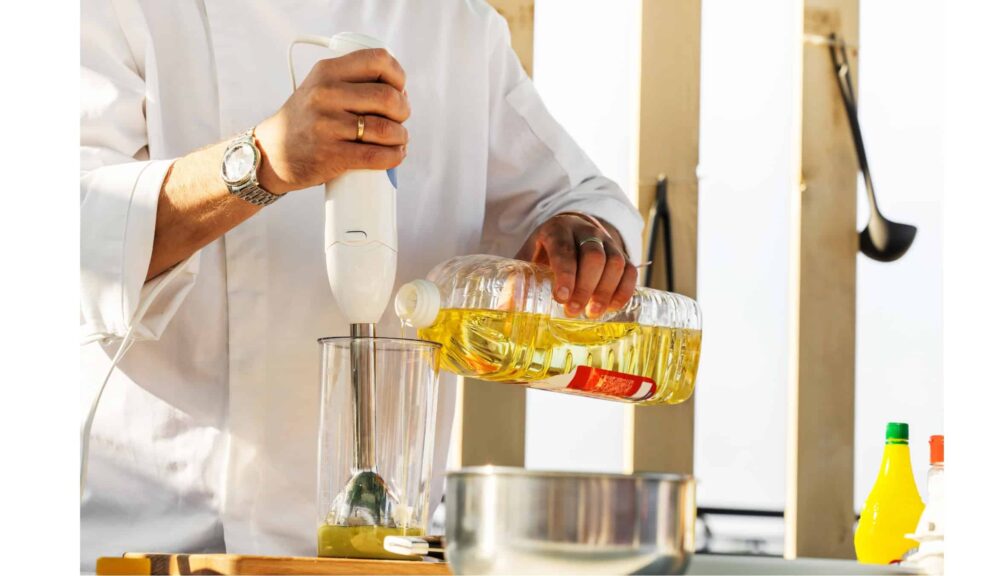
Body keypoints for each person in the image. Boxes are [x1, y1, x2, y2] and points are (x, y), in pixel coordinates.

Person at [80, 0, 642, 568]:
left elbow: (577, 197)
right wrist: (260, 161)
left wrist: (580, 236)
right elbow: (72, 233)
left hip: (380, 557)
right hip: (150, 541)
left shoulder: (455, 25)